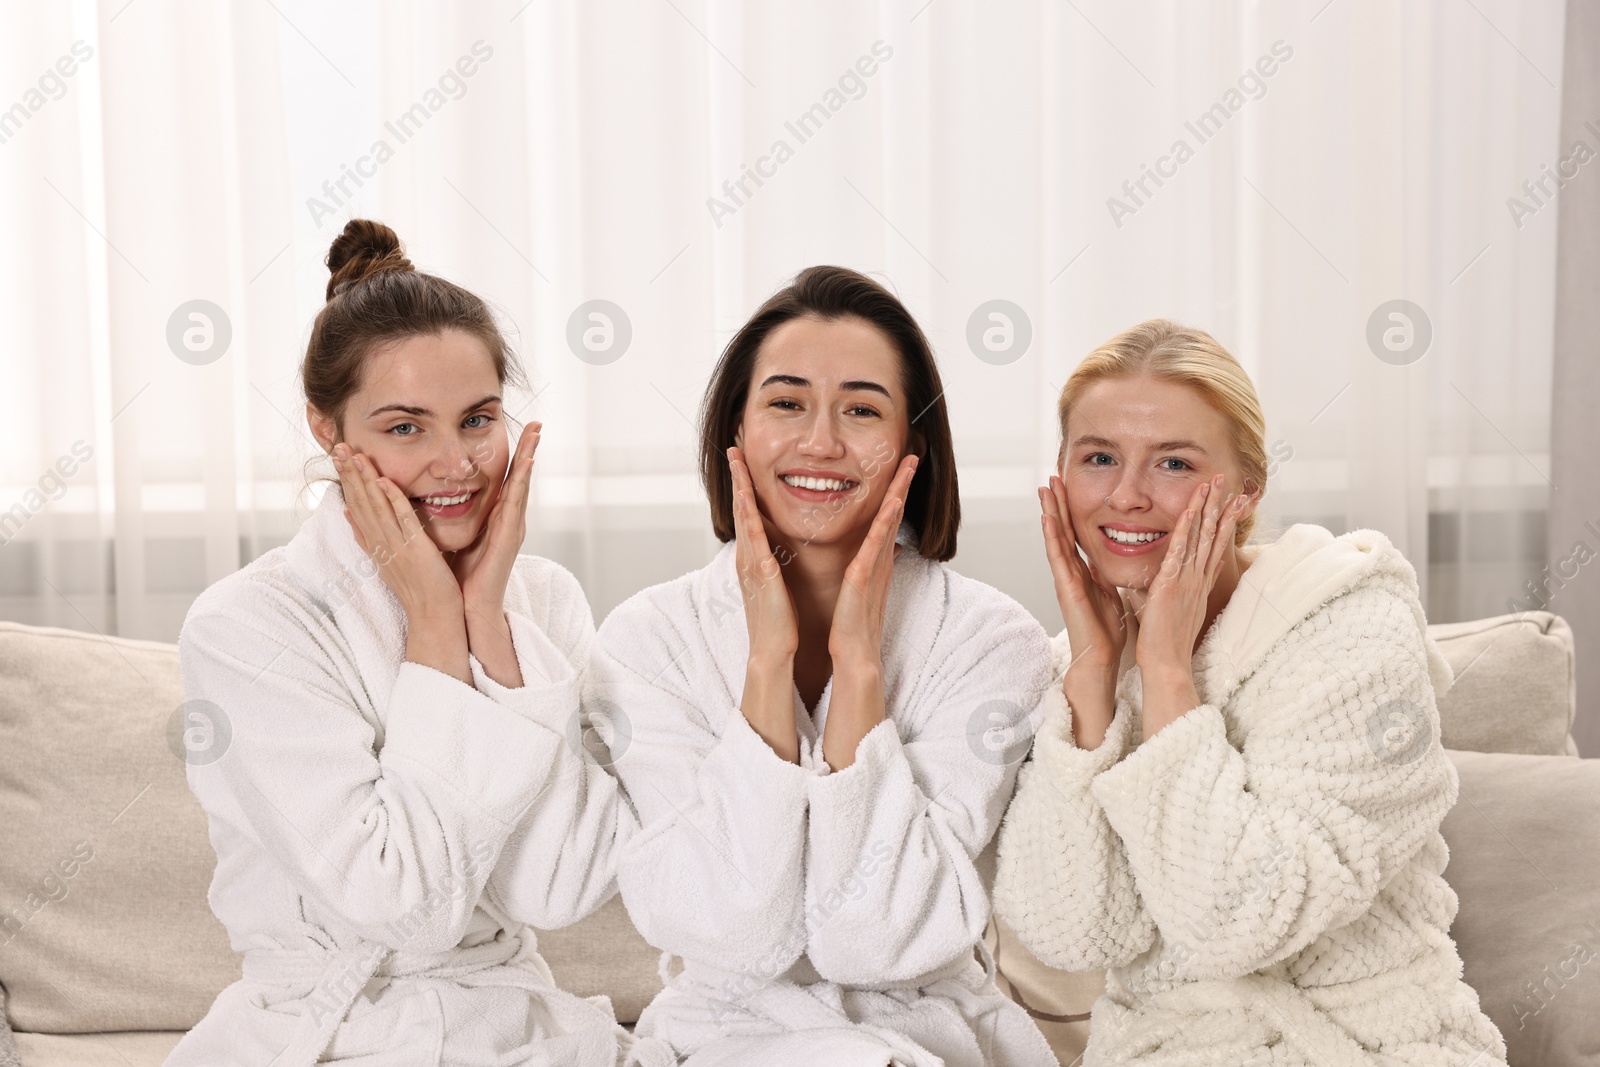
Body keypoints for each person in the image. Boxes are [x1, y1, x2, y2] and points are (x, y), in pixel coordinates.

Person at [167, 220, 644, 1067]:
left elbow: (557, 887)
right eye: (405, 427)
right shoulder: (246, 625)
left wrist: (488, 625)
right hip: (324, 1030)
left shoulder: (543, 600)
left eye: (478, 419)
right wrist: (435, 623)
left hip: (514, 1018)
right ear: (328, 430)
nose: (456, 463)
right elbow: (400, 909)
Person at [992, 319, 1508, 1065]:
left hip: (1373, 1045)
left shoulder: (1353, 629)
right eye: (1099, 457)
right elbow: (1070, 930)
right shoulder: (1080, 667)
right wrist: (1096, 679)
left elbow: (1240, 919)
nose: (1129, 495)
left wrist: (1168, 670)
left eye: (1172, 462)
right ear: (1061, 479)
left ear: (1247, 489)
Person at [584, 266, 1061, 1066]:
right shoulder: (648, 640)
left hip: (925, 1035)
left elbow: (876, 939)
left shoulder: (990, 641)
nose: (821, 442)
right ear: (735, 429)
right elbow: (735, 931)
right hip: (721, 1039)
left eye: (863, 410)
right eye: (786, 402)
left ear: (914, 443)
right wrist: (767, 662)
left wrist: (858, 667)